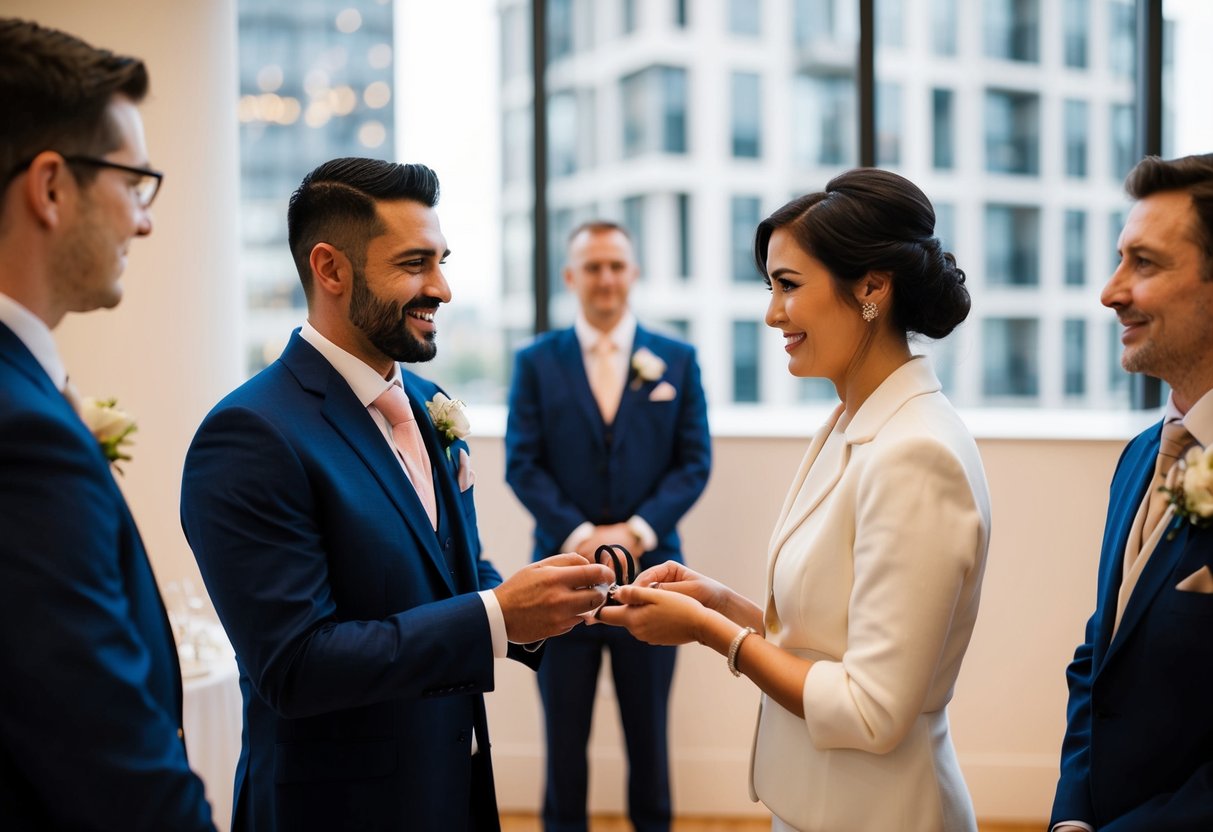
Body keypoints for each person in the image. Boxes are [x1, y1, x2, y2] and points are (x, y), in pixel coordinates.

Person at [179, 157, 613, 832]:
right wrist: (498, 616)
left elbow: (452, 571)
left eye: (441, 260)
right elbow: (296, 665)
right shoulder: (250, 435)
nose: (441, 288)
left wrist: (579, 600)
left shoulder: (427, 401)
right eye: (415, 264)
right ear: (330, 269)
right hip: (335, 808)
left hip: (452, 781)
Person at [600, 168, 991, 832]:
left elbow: (869, 708)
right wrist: (716, 601)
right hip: (821, 803)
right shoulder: (848, 423)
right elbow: (828, 645)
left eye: (789, 286)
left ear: (871, 287)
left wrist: (708, 633)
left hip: (882, 812)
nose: (771, 312)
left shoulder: (914, 453)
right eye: (769, 287)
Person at [0, 18, 216, 831]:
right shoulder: (26, 434)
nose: (145, 221)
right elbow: (107, 754)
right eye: (136, 183)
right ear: (52, 187)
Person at [505, 221, 711, 832]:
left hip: (654, 581)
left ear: (634, 274)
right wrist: (582, 536)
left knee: (650, 740)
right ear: (571, 277)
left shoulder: (678, 359)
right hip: (560, 583)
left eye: (617, 266)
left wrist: (635, 531)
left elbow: (693, 461)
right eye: (592, 267)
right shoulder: (536, 362)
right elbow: (523, 463)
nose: (606, 279)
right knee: (562, 747)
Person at [1050, 153, 1213, 832]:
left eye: (1143, 264)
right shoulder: (1141, 456)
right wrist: (1069, 819)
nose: (1110, 291)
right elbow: (1097, 662)